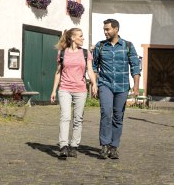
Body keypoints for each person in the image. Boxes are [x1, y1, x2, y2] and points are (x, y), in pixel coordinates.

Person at [92, 18, 141, 160]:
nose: (105, 32)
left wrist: (136, 87)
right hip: (105, 85)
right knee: (106, 114)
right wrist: (94, 84)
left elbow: (135, 66)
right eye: (104, 29)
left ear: (116, 29)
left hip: (122, 86)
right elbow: (94, 66)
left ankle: (114, 147)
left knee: (118, 117)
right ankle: (104, 145)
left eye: (107, 29)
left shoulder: (128, 46)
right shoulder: (100, 46)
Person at [50, 28, 97, 160]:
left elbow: (90, 70)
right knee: (65, 117)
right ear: (72, 38)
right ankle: (63, 146)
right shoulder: (63, 53)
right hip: (64, 89)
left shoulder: (86, 53)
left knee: (78, 119)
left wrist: (94, 83)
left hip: (80, 90)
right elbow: (58, 72)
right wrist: (54, 90)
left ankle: (74, 146)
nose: (83, 38)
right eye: (80, 36)